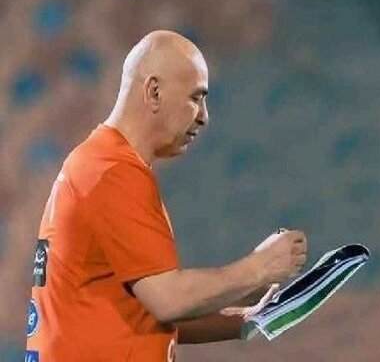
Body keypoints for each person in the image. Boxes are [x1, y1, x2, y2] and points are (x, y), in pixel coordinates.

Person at [25, 30, 308, 361]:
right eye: (195, 98)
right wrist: (258, 267)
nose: (204, 116)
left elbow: (148, 312)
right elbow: (169, 300)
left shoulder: (102, 164)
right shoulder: (113, 172)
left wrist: (246, 318)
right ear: (154, 92)